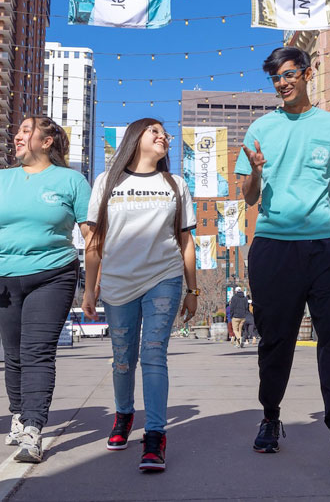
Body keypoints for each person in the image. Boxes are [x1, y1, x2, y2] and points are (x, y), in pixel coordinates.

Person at [236, 46, 330, 472]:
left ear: (308, 74)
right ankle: (271, 418)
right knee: (276, 341)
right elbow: (249, 196)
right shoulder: (261, 128)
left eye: (290, 74)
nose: (283, 83)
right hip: (274, 246)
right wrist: (256, 170)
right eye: (276, 78)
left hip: (327, 245)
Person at [0, 116, 91, 464]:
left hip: (53, 274)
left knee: (37, 352)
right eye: (17, 131)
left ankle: (33, 428)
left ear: (47, 142)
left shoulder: (71, 181)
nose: (17, 136)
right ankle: (18, 415)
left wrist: (93, 285)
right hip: (3, 274)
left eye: (26, 131)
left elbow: (91, 235)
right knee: (14, 353)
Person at [82, 119, 198, 473]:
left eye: (165, 134)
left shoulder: (175, 184)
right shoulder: (106, 182)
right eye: (155, 131)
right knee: (122, 358)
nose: (163, 137)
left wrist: (192, 290)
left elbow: (186, 241)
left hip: (163, 276)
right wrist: (89, 288)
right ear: (136, 138)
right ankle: (124, 414)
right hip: (117, 281)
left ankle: (155, 436)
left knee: (153, 354)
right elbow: (95, 241)